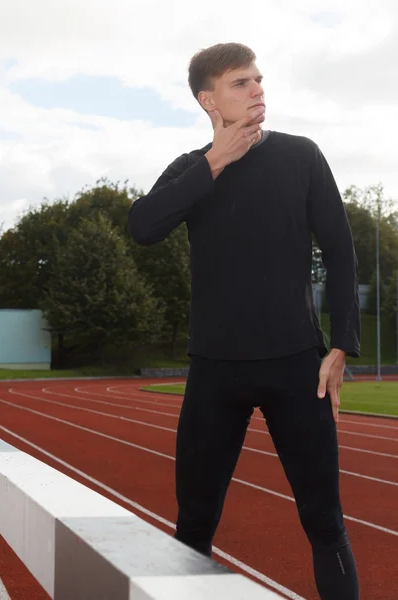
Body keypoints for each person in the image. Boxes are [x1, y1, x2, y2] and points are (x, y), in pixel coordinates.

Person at [128, 42, 360, 600]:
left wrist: (343, 344)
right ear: (209, 100)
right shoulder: (191, 169)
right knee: (193, 528)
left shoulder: (301, 155)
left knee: (324, 522)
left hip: (296, 367)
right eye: (240, 82)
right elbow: (142, 226)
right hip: (215, 372)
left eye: (258, 79)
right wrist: (216, 161)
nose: (257, 88)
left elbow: (340, 247)